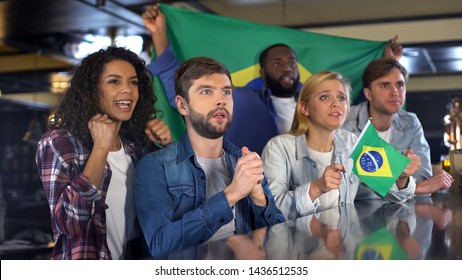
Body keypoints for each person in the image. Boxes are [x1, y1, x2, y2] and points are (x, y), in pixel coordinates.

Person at [142, 4, 402, 155]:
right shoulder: (242, 100)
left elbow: (383, 176)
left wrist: (391, 64)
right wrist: (160, 35)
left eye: (291, 62)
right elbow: (188, 90)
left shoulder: (338, 127)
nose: (287, 67)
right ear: (262, 74)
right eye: (277, 63)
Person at [133, 56, 285, 258]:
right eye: (206, 91)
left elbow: (281, 239)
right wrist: (232, 194)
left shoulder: (244, 161)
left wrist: (258, 197)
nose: (221, 99)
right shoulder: (154, 167)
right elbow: (161, 244)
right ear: (182, 105)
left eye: (226, 92)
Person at [35, 46, 172, 260]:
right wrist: (100, 148)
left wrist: (167, 146)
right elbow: (69, 223)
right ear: (92, 90)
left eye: (133, 82)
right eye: (114, 81)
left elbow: (174, 206)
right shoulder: (59, 143)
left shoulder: (137, 148)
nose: (127, 90)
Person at [261, 71, 420, 221]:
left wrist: (401, 177)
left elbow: (396, 196)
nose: (336, 104)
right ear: (305, 108)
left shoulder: (354, 142)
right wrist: (316, 187)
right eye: (324, 97)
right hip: (297, 247)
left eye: (342, 98)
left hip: (344, 246)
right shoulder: (278, 147)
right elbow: (271, 212)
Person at [342, 58, 453, 197]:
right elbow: (353, 189)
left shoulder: (411, 123)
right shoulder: (345, 122)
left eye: (400, 85)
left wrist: (412, 186)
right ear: (368, 94)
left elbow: (423, 180)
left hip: (400, 214)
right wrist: (410, 187)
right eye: (384, 85)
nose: (395, 92)